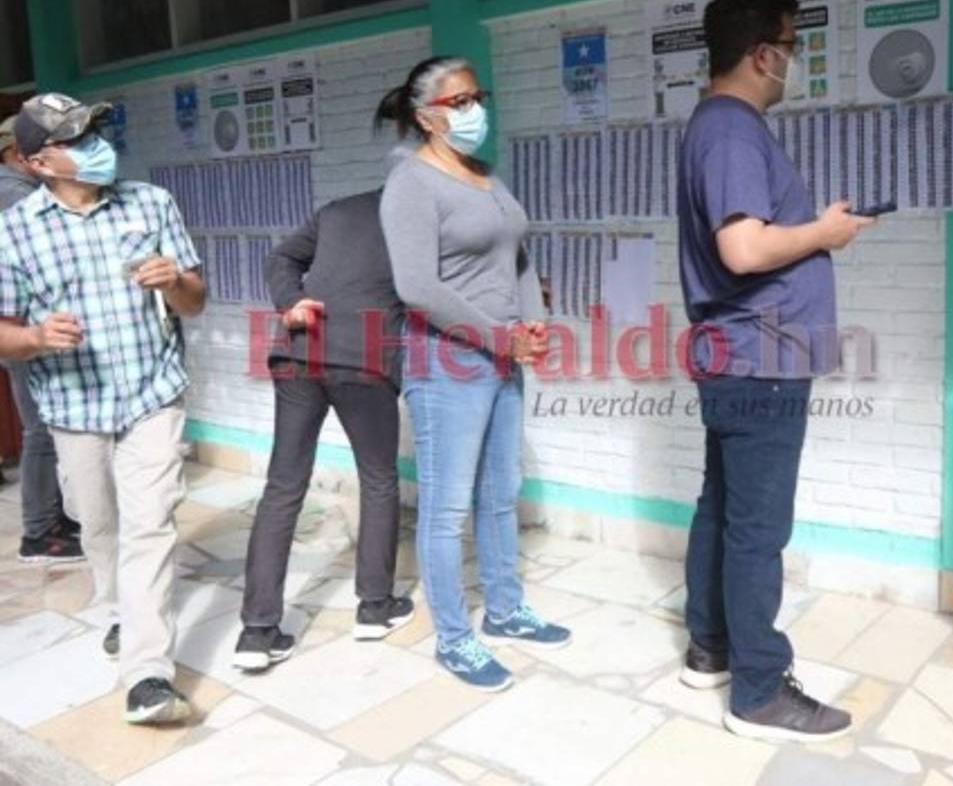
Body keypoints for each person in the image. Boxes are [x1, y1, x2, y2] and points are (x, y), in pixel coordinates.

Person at [676, 0, 872, 743]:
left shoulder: (718, 126)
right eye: (791, 47)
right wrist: (822, 232)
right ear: (763, 53)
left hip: (740, 354)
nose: (794, 61)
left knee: (722, 508)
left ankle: (711, 646)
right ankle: (758, 693)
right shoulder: (730, 130)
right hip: (759, 358)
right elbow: (744, 248)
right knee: (756, 528)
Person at [0, 93, 206, 725]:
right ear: (38, 162)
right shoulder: (14, 229)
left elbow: (196, 301)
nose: (96, 143)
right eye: (77, 136)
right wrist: (35, 338)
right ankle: (124, 610)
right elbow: (4, 330)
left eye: (96, 129)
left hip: (152, 394)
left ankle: (147, 672)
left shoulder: (151, 203)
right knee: (101, 527)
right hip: (72, 407)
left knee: (151, 526)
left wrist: (174, 282)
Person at [378, 58, 570, 692]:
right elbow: (417, 288)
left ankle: (507, 610)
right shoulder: (411, 185)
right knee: (445, 508)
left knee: (499, 492)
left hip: (504, 358)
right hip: (447, 363)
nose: (472, 111)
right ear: (425, 115)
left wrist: (534, 324)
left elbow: (516, 255)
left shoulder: (486, 178)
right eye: (458, 101)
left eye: (477, 97)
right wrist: (500, 337)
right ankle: (455, 638)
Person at [235, 186, 413, 671]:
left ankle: (257, 631)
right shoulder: (422, 213)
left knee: (283, 486)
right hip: (364, 360)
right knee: (378, 479)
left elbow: (281, 258)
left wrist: (290, 301)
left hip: (299, 351)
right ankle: (375, 607)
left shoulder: (339, 210)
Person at [0, 115, 81, 564]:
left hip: (26, 328)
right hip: (25, 331)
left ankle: (50, 516)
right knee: (40, 430)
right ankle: (39, 531)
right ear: (18, 154)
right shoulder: (14, 195)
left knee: (44, 428)